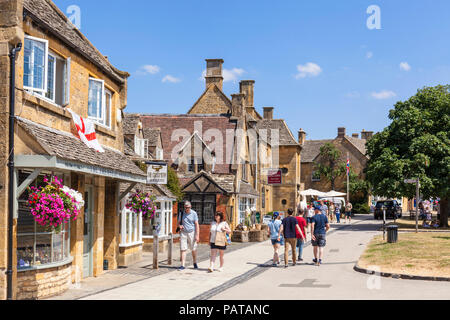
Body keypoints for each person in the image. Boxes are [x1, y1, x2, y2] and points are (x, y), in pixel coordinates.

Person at [177, 201, 200, 271]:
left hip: (191, 232)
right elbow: (178, 223)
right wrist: (179, 226)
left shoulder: (194, 213)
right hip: (183, 232)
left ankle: (195, 262)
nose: (187, 209)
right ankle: (182, 265)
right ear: (184, 207)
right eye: (186, 207)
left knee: (193, 249)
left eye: (189, 207)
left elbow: (196, 224)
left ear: (190, 207)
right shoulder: (181, 213)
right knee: (183, 249)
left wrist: (197, 235)